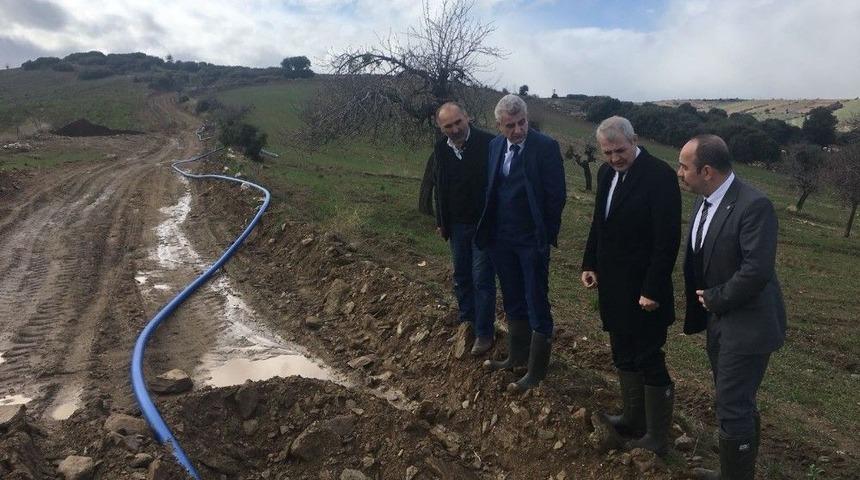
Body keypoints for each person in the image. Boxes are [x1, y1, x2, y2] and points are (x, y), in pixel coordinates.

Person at [678, 134, 786, 480]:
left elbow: (757, 270)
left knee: (732, 403)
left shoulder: (754, 205)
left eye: (684, 166)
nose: (679, 172)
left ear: (706, 170)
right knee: (735, 399)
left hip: (748, 323)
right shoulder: (705, 200)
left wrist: (715, 298)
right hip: (720, 321)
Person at [581, 116, 681, 455]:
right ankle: (631, 418)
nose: (614, 158)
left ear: (634, 140)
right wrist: (589, 263)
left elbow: (666, 240)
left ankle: (656, 437)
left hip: (644, 290)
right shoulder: (606, 174)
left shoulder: (660, 176)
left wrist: (652, 289)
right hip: (613, 286)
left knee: (648, 357)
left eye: (619, 150)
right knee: (622, 352)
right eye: (607, 152)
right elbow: (600, 223)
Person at [476, 94, 566, 392]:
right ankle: (516, 357)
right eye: (510, 125)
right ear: (499, 125)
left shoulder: (546, 147)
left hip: (531, 241)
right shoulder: (493, 146)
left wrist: (544, 236)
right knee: (512, 297)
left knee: (536, 299)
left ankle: (536, 371)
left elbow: (556, 197)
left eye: (522, 122)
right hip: (501, 239)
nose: (518, 130)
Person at [433, 102, 497, 355]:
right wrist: (441, 221)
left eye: (458, 122)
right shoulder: (440, 149)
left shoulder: (490, 144)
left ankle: (484, 333)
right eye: (448, 125)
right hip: (457, 225)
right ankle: (466, 324)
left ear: (467, 117)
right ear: (441, 128)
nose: (455, 128)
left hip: (483, 225)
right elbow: (440, 186)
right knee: (461, 277)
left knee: (482, 279)